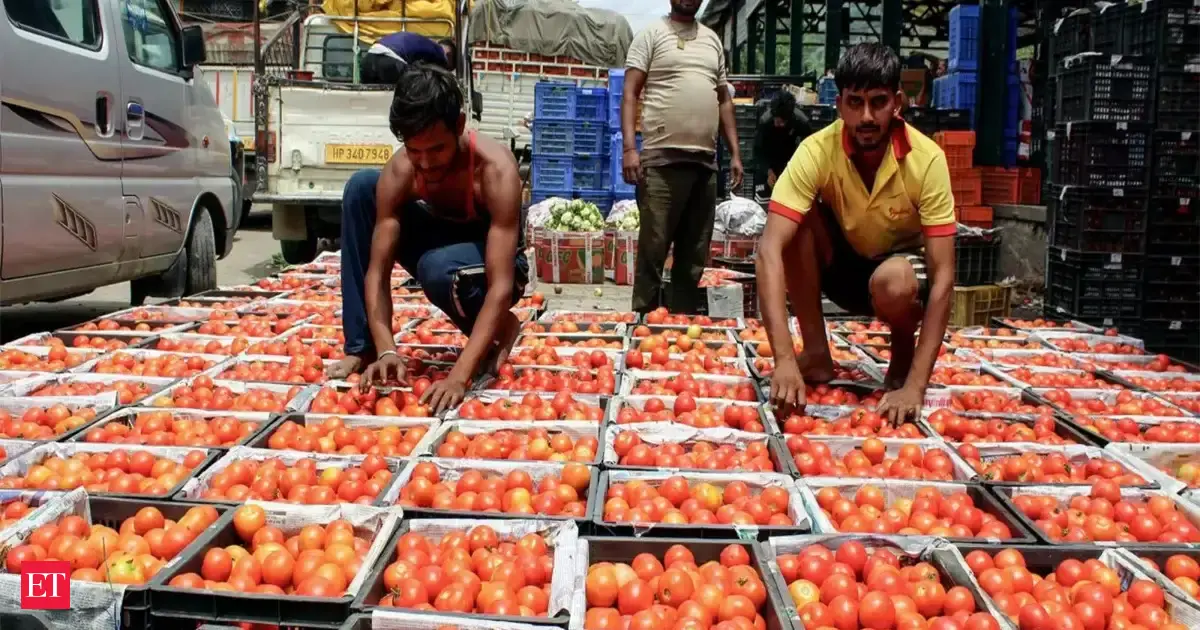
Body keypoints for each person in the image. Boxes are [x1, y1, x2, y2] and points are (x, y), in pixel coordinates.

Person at [755, 43, 957, 423]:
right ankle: (814, 351)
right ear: (839, 105)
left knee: (893, 283)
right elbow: (768, 250)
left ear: (897, 102)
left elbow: (944, 275)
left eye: (878, 102)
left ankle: (902, 353)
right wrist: (783, 357)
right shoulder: (815, 150)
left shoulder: (927, 159)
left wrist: (915, 386)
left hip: (898, 279)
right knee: (794, 226)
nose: (866, 116)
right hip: (842, 266)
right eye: (855, 102)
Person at [330, 63, 528, 415]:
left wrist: (459, 376)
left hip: (495, 263)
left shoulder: (495, 170)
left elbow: (501, 286)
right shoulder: (403, 170)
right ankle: (361, 349)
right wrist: (388, 349)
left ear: (460, 126)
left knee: (437, 268)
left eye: (436, 150)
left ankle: (500, 326)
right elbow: (377, 271)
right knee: (362, 187)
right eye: (414, 150)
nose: (425, 163)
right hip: (442, 247)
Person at [620, 0, 743, 314]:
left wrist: (735, 154)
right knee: (653, 249)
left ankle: (681, 322)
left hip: (704, 164)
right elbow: (630, 92)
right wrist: (630, 149)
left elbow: (723, 100)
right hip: (661, 164)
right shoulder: (651, 35)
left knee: (694, 256)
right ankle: (643, 322)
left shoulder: (712, 41)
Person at [753, 91, 812, 195]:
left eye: (783, 122)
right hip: (768, 161)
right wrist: (768, 171)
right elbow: (758, 151)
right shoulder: (765, 121)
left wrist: (794, 169)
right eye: (777, 121)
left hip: (791, 162)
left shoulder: (801, 121)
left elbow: (808, 150)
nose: (779, 125)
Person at [361, 32, 457, 84]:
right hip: (390, 60)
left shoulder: (423, 43)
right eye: (447, 67)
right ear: (448, 54)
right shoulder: (440, 52)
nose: (443, 68)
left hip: (369, 57)